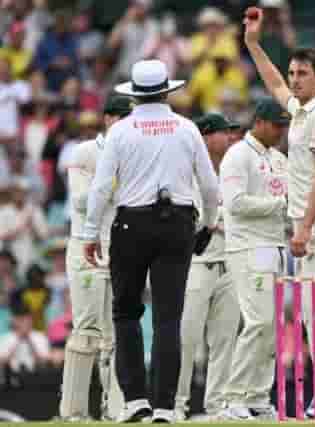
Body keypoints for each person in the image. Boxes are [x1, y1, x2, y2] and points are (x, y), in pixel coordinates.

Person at [83, 59, 219, 423]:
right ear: (166, 90)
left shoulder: (121, 131)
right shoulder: (187, 128)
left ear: (135, 96)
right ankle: (164, 406)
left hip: (132, 223)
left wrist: (90, 232)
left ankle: (135, 401)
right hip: (177, 223)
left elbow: (100, 187)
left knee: (126, 312)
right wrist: (209, 223)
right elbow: (209, 185)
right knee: (168, 317)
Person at [243, 8, 315, 417]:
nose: (294, 79)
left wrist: (304, 227)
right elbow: (272, 81)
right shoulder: (302, 111)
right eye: (294, 73)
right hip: (309, 223)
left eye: (303, 73)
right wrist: (253, 44)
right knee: (313, 309)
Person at [59, 94, 133, 422]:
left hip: (119, 250)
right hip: (85, 248)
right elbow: (78, 202)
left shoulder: (134, 154)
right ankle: (73, 412)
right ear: (108, 119)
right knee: (86, 330)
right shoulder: (86, 152)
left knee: (115, 335)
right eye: (122, 120)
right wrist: (113, 184)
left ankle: (115, 410)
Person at [218, 99, 289, 420]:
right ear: (259, 122)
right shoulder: (237, 155)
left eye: (284, 126)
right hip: (247, 247)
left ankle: (258, 396)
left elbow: (288, 202)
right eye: (277, 125)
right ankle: (233, 396)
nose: (281, 132)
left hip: (273, 246)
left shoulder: (278, 158)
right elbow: (234, 203)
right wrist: (278, 205)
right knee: (258, 322)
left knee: (271, 327)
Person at [174, 113, 241, 422]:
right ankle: (176, 405)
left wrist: (221, 223)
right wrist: (223, 222)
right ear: (205, 136)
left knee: (225, 338)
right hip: (195, 263)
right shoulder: (186, 171)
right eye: (223, 133)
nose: (229, 138)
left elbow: (235, 216)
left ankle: (218, 405)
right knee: (186, 338)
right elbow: (198, 220)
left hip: (229, 262)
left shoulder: (233, 169)